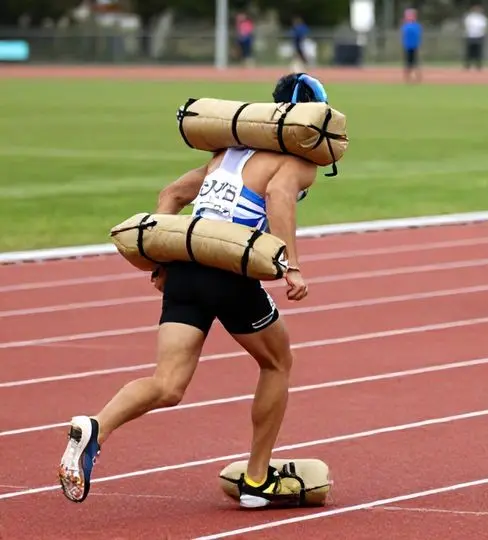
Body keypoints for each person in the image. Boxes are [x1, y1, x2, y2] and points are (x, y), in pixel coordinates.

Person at [57, 73, 327, 508]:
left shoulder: (225, 151)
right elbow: (278, 195)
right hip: (228, 272)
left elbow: (171, 195)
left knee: (167, 384)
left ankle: (95, 428)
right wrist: (291, 266)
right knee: (277, 362)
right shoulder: (296, 162)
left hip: (185, 266)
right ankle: (257, 480)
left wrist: (161, 262)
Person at [401, 8, 422, 83]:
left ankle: (417, 78)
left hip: (414, 46)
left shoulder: (416, 26)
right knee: (408, 63)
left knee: (415, 63)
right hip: (407, 46)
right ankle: (407, 78)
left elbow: (417, 35)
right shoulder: (406, 26)